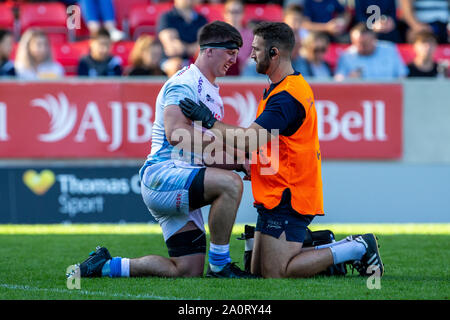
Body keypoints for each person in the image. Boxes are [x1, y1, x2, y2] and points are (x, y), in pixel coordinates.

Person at [178, 21, 384, 278]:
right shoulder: (281, 89)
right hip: (276, 191)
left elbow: (247, 141)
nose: (250, 55)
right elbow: (268, 146)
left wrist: (207, 120)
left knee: (276, 272)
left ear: (274, 53)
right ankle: (319, 244)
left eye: (256, 49)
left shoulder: (286, 97)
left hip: (289, 193)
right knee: (258, 272)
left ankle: (356, 247)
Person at [73, 21, 255, 279]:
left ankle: (104, 266)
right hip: (164, 176)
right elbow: (176, 134)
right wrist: (236, 159)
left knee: (187, 270)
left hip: (177, 177)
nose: (235, 58)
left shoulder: (212, 90)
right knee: (232, 185)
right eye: (230, 51)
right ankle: (220, 265)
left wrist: (237, 161)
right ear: (208, 50)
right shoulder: (185, 83)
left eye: (237, 52)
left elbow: (202, 152)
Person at [334, 23, 408, 81]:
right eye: (356, 43)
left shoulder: (389, 50)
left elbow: (402, 75)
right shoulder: (346, 56)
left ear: (374, 39)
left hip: (390, 95)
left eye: (364, 43)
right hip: (359, 97)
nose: (360, 46)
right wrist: (348, 79)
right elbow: (338, 81)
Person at [157, 0, 208, 77]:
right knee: (176, 65)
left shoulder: (202, 19)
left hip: (195, 61)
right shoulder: (167, 17)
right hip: (170, 60)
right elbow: (172, 49)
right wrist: (194, 47)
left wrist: (183, 47)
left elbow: (204, 46)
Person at [222, 0, 253, 75]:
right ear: (224, 14)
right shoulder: (217, 35)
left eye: (237, 12)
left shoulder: (251, 35)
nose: (234, 15)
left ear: (243, 14)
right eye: (231, 11)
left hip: (245, 72)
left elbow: (255, 56)